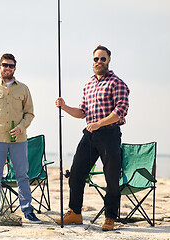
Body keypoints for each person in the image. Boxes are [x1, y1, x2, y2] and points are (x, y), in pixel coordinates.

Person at [54, 45, 130, 231]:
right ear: (93, 61)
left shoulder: (117, 83)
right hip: (89, 135)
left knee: (111, 177)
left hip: (109, 135)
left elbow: (119, 112)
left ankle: (110, 217)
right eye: (96, 59)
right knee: (76, 173)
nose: (99, 62)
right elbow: (82, 112)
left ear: (109, 60)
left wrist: (99, 124)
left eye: (102, 59)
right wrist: (64, 107)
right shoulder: (88, 84)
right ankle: (75, 213)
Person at [0, 53, 41, 223]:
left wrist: (22, 127)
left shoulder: (23, 89)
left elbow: (30, 113)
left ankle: (28, 210)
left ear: (15, 68)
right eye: (5, 65)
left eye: (11, 65)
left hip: (18, 141)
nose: (8, 68)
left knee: (22, 175)